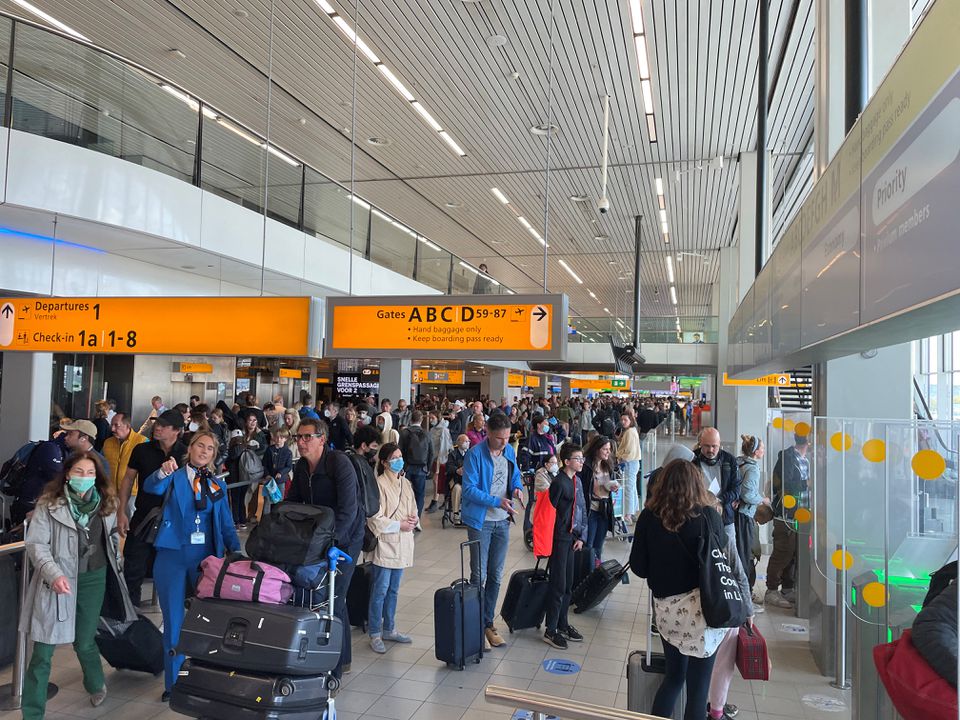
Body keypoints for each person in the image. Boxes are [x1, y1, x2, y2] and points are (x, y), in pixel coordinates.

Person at [20, 451, 136, 719]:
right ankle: (32, 713)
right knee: (43, 651)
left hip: (93, 578)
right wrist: (53, 573)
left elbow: (111, 539)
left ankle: (95, 683)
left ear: (97, 477)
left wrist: (117, 563)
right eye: (79, 472)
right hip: (56, 581)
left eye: (90, 474)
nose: (85, 478)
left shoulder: (106, 504)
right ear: (67, 475)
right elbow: (37, 544)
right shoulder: (49, 505)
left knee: (84, 641)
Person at [630, 459, 740, 720]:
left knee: (674, 678)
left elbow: (638, 567)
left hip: (667, 614)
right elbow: (721, 550)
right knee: (698, 690)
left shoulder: (648, 516)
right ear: (697, 484)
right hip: (702, 614)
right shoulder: (707, 516)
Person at [142, 431, 240, 701]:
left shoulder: (216, 486)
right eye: (200, 445)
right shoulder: (172, 476)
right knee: (174, 622)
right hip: (172, 556)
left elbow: (226, 523)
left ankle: (203, 677)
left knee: (205, 622)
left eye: (210, 448)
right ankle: (175, 683)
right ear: (191, 448)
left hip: (205, 560)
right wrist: (162, 472)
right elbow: (152, 487)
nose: (204, 451)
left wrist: (238, 551)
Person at [286, 418, 365, 678]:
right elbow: (294, 502)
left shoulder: (338, 463)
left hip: (346, 539)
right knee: (320, 596)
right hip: (318, 539)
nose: (301, 442)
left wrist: (335, 544)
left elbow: (349, 510)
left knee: (335, 597)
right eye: (298, 437)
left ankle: (337, 666)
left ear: (322, 439)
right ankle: (339, 657)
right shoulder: (300, 468)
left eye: (307, 437)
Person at [461, 412, 523, 648]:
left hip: (502, 521)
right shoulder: (475, 455)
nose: (504, 442)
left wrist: (516, 489)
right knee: (479, 575)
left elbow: (514, 475)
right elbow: (468, 490)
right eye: (499, 438)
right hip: (481, 522)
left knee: (496, 575)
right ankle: (474, 624)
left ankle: (487, 623)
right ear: (487, 433)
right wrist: (497, 501)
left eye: (507, 437)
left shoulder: (508, 451)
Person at [117, 410, 187, 607]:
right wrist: (121, 511)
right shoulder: (142, 450)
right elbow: (128, 480)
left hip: (174, 519)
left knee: (170, 568)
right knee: (133, 564)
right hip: (144, 516)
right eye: (157, 424)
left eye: (164, 426)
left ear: (177, 431)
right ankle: (131, 609)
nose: (157, 428)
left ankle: (168, 607)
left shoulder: (186, 454)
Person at [366, 443, 418, 653]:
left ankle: (390, 628)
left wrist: (414, 520)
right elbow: (374, 517)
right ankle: (375, 632)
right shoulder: (378, 484)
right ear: (385, 462)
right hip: (386, 544)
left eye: (401, 456)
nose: (399, 460)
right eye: (394, 457)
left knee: (394, 590)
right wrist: (399, 525)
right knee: (380, 590)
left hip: (403, 542)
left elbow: (413, 506)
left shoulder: (405, 483)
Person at [539, 444, 587, 650]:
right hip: (559, 540)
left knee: (568, 585)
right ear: (566, 462)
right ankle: (550, 629)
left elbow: (581, 509)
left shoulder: (577, 481)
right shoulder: (559, 483)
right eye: (578, 459)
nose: (581, 462)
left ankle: (562, 623)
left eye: (582, 458)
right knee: (558, 584)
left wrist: (581, 536)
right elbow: (548, 513)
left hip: (571, 539)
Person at [766, 432, 809, 608]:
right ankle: (772, 590)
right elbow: (785, 483)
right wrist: (807, 484)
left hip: (802, 515)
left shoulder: (807, 459)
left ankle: (788, 587)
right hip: (786, 515)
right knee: (783, 552)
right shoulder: (787, 458)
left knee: (794, 553)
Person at [736, 434, 768, 611]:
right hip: (745, 516)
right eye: (762, 448)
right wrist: (763, 500)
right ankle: (745, 598)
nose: (763, 450)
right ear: (756, 452)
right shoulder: (753, 469)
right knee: (746, 555)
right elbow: (748, 495)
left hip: (735, 515)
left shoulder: (738, 462)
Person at [693, 427, 740, 546]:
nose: (711, 450)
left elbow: (736, 489)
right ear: (700, 444)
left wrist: (719, 500)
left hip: (725, 516)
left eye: (714, 446)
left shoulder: (730, 461)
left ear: (720, 444)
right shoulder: (692, 461)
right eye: (706, 446)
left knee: (730, 552)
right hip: (699, 516)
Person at [581, 435, 619, 564]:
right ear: (597, 449)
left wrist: (613, 487)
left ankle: (596, 570)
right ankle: (587, 570)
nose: (608, 452)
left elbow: (609, 485)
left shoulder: (608, 465)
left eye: (609, 449)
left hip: (605, 508)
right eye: (605, 449)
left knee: (599, 544)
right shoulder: (586, 467)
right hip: (591, 509)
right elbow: (583, 489)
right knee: (589, 544)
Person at [227, 412, 267, 526]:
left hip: (244, 474)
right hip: (242, 475)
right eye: (250, 420)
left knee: (241, 497)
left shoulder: (258, 435)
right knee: (240, 498)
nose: (253, 423)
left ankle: (240, 519)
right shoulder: (243, 441)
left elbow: (263, 448)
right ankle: (241, 519)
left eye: (255, 420)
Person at [101, 413, 146, 511]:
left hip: (132, 494)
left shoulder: (142, 442)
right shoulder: (108, 443)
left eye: (116, 425)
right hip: (111, 493)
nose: (112, 429)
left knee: (129, 524)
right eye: (111, 425)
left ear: (128, 426)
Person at [615, 412, 642, 523]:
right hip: (634, 462)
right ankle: (633, 510)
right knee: (632, 487)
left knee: (628, 489)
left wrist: (620, 457)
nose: (623, 422)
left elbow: (629, 451)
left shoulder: (629, 433)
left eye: (625, 420)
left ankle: (628, 515)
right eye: (622, 420)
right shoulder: (631, 431)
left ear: (631, 420)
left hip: (629, 462)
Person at [426, 410, 452, 513]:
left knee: (437, 480)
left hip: (441, 459)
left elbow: (444, 448)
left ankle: (435, 501)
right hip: (434, 458)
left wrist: (440, 463)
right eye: (430, 418)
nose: (431, 420)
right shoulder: (432, 429)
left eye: (433, 418)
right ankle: (442, 501)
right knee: (437, 481)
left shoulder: (444, 430)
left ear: (438, 418)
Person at [445, 434, 470, 523]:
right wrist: (456, 470)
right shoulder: (452, 454)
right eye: (465, 441)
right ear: (459, 442)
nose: (467, 443)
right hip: (455, 479)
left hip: (467, 480)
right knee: (457, 489)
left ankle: (468, 514)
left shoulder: (470, 454)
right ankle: (456, 514)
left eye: (468, 441)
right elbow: (449, 467)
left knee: (473, 490)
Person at [264, 427, 294, 499]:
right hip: (269, 479)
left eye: (281, 437)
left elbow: (289, 466)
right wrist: (267, 474)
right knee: (267, 500)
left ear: (285, 439)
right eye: (277, 437)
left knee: (279, 499)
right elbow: (265, 464)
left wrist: (281, 473)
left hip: (281, 480)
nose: (278, 439)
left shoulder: (288, 452)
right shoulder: (269, 449)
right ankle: (268, 511)